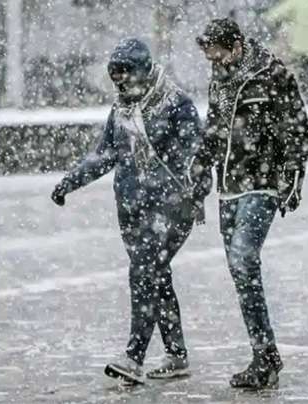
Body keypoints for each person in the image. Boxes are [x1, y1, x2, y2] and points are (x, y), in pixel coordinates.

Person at [51, 38, 212, 384]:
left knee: (144, 274)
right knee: (156, 275)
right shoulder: (120, 110)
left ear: (144, 69)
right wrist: (69, 182)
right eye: (114, 74)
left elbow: (197, 159)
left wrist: (189, 195)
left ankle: (134, 357)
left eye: (126, 72)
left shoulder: (176, 103)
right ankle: (177, 355)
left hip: (171, 209)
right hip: (133, 210)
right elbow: (104, 155)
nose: (121, 80)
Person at [196, 18, 308, 389]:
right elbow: (214, 128)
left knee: (244, 258)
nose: (214, 61)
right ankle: (265, 353)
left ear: (236, 46)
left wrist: (292, 175)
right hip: (228, 188)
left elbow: (296, 126)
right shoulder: (218, 77)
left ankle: (265, 357)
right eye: (209, 56)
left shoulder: (272, 74)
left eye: (217, 53)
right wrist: (200, 165)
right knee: (238, 270)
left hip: (261, 183)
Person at [263, 0, 308, 104]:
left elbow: (272, 16)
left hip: (300, 47)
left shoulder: (296, 2)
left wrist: (284, 22)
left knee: (303, 75)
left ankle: (306, 100)